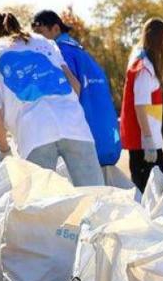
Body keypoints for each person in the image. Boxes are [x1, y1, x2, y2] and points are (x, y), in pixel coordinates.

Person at [0, 9, 103, 187]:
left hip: (33, 133)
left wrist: (4, 151)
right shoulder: (43, 41)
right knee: (95, 197)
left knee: (42, 205)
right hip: (74, 125)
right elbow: (75, 86)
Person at [32, 9, 122, 168]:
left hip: (81, 138)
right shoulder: (78, 50)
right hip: (102, 137)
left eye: (40, 32)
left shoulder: (59, 52)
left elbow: (71, 91)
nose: (37, 39)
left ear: (56, 29)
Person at [120, 18, 163, 193]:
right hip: (143, 144)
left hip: (149, 140)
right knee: (154, 194)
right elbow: (140, 105)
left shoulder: (146, 64)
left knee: (160, 193)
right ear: (156, 39)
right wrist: (148, 140)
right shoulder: (143, 68)